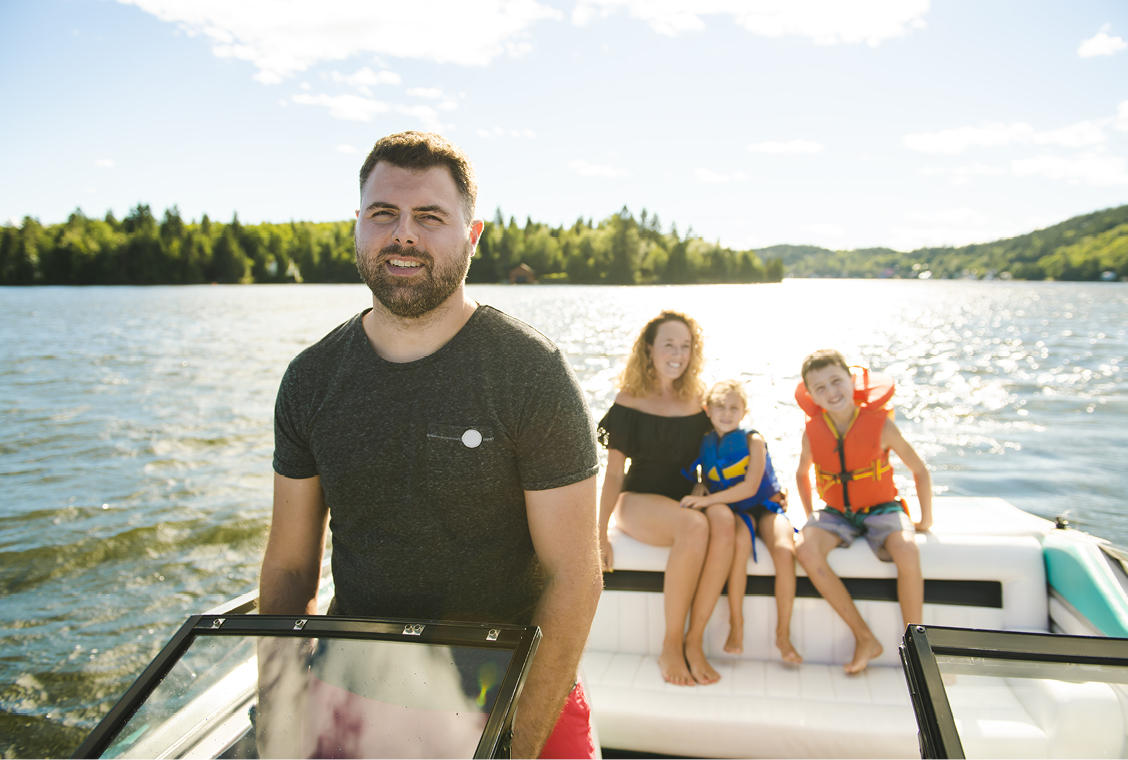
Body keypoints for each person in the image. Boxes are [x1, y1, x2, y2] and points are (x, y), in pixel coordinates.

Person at [259, 131, 603, 759]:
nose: (403, 234)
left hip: (516, 691)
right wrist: (278, 712)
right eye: (383, 213)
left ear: (472, 236)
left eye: (430, 216)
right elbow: (288, 568)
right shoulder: (311, 379)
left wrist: (514, 747)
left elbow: (575, 577)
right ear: (358, 227)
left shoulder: (530, 372)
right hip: (358, 688)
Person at [597, 311, 733, 686]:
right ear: (650, 349)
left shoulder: (699, 401)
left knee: (722, 521)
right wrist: (600, 532)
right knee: (693, 524)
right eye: (669, 344)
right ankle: (671, 644)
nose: (678, 353)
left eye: (685, 346)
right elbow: (612, 474)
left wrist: (710, 486)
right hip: (637, 500)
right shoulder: (630, 400)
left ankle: (694, 641)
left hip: (684, 501)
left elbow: (718, 455)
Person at [793, 349, 932, 674]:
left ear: (851, 381)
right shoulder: (812, 432)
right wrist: (811, 514)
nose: (831, 392)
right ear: (811, 395)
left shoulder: (881, 426)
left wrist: (925, 520)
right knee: (805, 548)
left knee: (908, 550)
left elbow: (919, 470)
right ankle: (864, 636)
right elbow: (802, 474)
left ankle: (917, 648)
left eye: (836, 381)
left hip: (882, 508)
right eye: (820, 388)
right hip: (837, 512)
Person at [679, 379, 802, 664]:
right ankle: (737, 624)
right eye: (720, 406)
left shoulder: (753, 440)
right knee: (738, 547)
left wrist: (707, 501)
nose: (727, 413)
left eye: (734, 408)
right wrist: (699, 486)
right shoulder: (706, 441)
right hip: (737, 513)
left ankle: (783, 634)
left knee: (785, 551)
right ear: (707, 410)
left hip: (765, 506)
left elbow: (749, 487)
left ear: (744, 412)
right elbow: (701, 473)